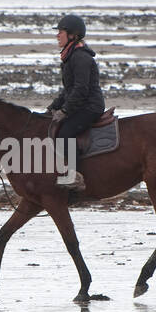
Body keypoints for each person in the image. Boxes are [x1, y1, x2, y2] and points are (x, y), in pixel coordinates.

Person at [46, 13, 105, 190]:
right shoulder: (70, 56)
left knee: (65, 133)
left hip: (90, 107)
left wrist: (64, 111)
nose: (57, 35)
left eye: (61, 32)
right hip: (81, 104)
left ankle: (74, 176)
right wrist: (53, 107)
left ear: (72, 35)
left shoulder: (80, 57)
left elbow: (81, 90)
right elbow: (68, 90)